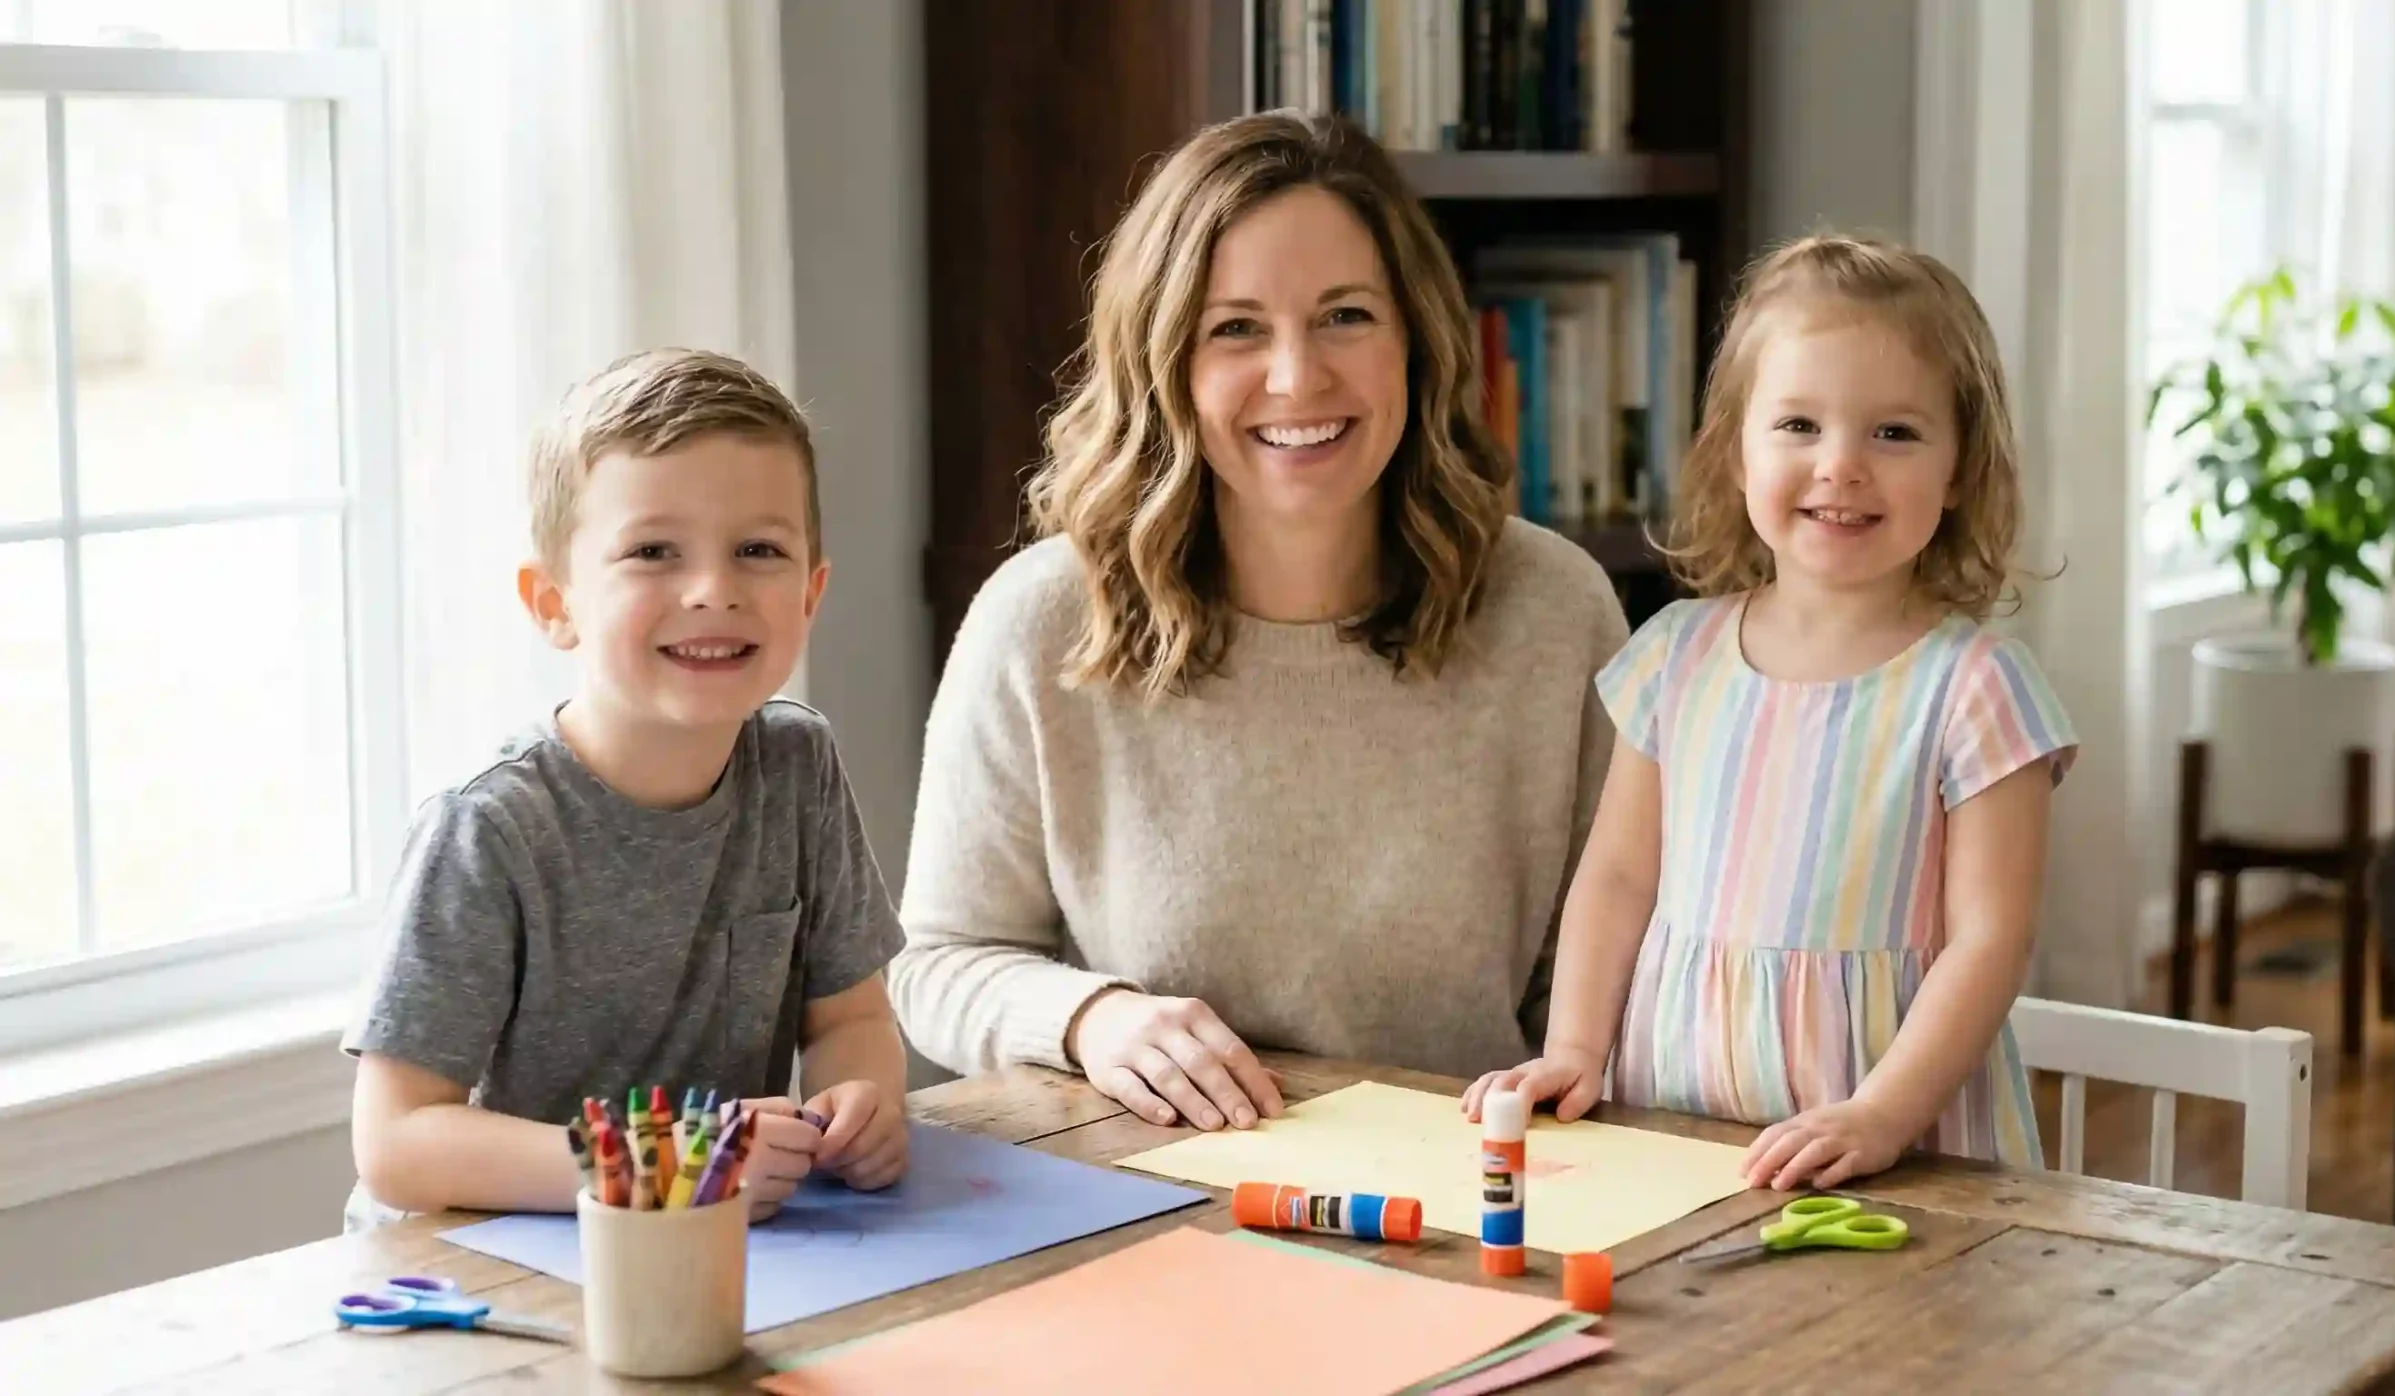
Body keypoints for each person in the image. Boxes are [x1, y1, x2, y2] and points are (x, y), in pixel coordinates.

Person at [889, 111, 1628, 1132]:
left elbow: (1614, 979)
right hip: (1148, 1187)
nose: (1297, 377)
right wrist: (1092, 1019)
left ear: (1416, 342)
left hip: (1472, 1180)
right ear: (1165, 363)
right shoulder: (1041, 618)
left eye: (1346, 316)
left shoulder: (1554, 608)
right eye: (1235, 328)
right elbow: (939, 964)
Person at [1463, 234, 2079, 1192]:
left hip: (1902, 1162)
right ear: (1737, 454)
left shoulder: (1978, 689)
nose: (1842, 465)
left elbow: (1990, 940)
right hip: (1672, 1137)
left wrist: (1881, 1115)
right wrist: (1575, 1047)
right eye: (1798, 424)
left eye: (1895, 433)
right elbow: (1617, 879)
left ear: (1961, 468)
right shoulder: (1675, 656)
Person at [341, 348, 910, 1227]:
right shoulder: (488, 827)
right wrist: (660, 1167)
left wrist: (860, 1104)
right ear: (553, 603)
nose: (713, 590)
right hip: (485, 1262)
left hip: (712, 1246)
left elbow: (849, 1020)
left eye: (759, 550)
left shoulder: (799, 764)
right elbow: (397, 1144)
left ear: (811, 592)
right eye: (652, 552)